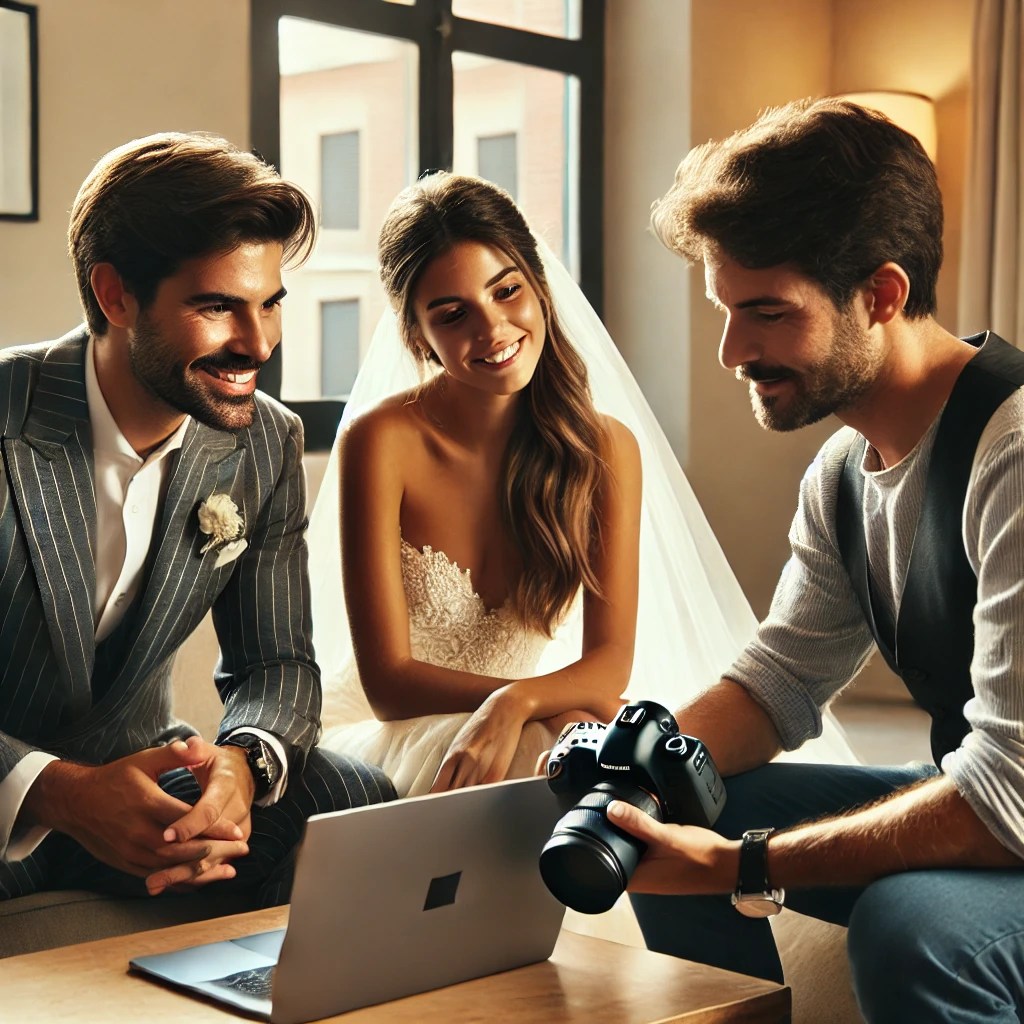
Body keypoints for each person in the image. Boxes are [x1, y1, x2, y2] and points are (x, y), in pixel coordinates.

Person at [605, 98, 1024, 1023]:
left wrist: (744, 864)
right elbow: (777, 684)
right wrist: (630, 778)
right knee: (670, 812)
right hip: (994, 799)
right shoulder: (841, 471)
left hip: (1014, 809)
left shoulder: (1015, 454)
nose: (731, 351)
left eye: (766, 313)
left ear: (880, 293)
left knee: (914, 927)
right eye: (724, 310)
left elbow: (1006, 799)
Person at [308, 172, 855, 799]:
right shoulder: (382, 442)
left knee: (591, 758)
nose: (492, 331)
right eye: (453, 314)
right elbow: (388, 684)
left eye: (506, 291)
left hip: (521, 720)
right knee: (567, 748)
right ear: (417, 335)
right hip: (387, 733)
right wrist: (529, 705)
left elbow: (607, 663)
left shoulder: (604, 450)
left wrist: (520, 705)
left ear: (539, 289)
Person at [0, 133, 394, 908]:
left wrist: (244, 766)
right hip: (12, 793)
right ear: (115, 295)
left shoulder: (265, 441)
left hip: (145, 786)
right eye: (217, 307)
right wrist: (59, 792)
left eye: (270, 304)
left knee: (354, 793)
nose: (256, 344)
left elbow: (276, 664)